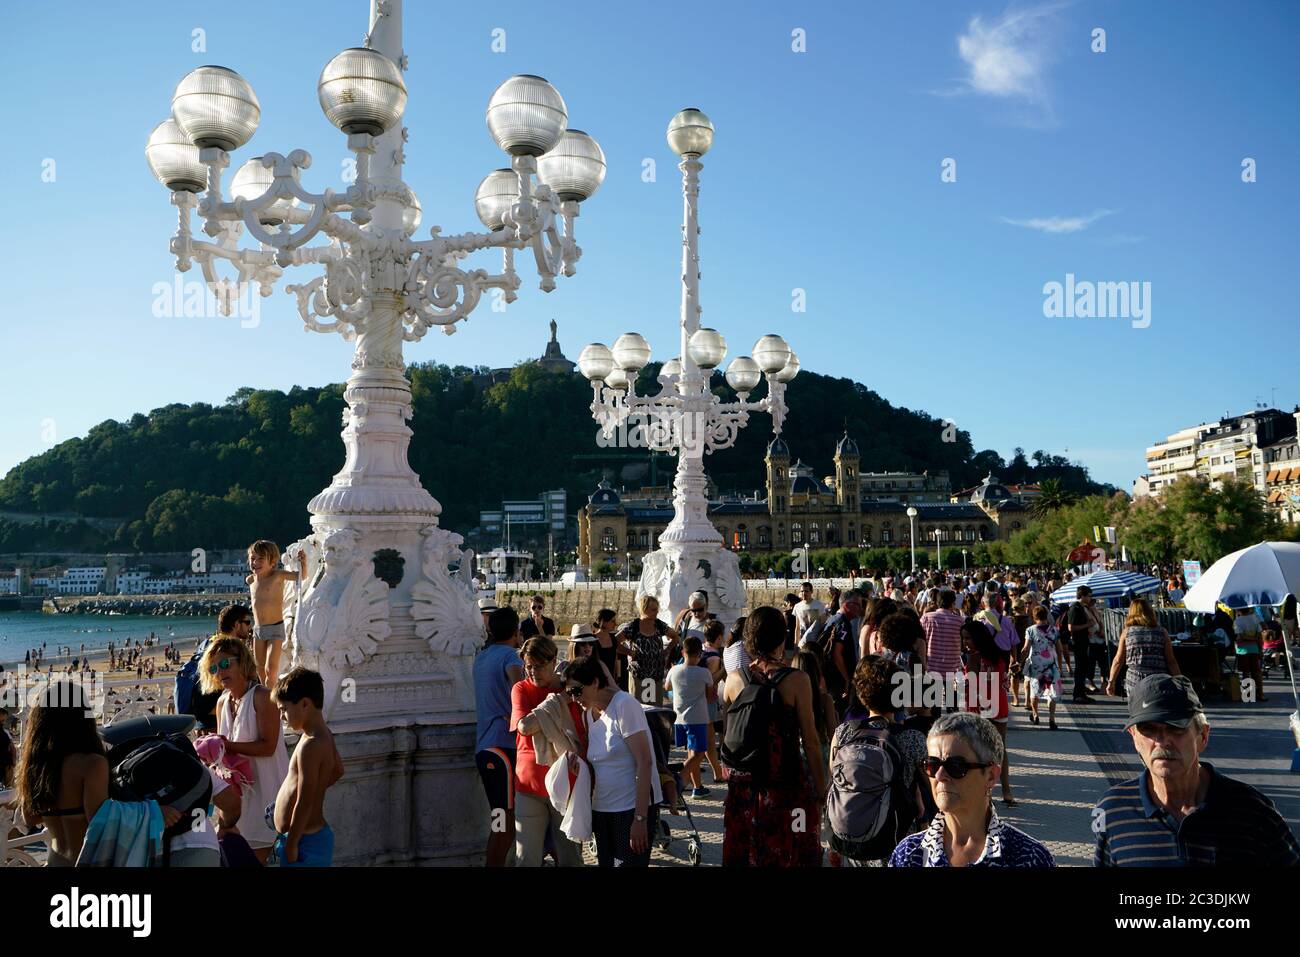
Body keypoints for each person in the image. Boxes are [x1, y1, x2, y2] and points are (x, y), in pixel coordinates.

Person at [1093, 674, 1300, 866]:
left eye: (1176, 727)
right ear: (1134, 738)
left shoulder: (1253, 811)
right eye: (1148, 729)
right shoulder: (1112, 811)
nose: (1162, 741)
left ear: (1202, 736)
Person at [720, 606, 826, 867]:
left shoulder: (734, 680)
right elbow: (810, 741)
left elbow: (726, 730)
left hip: (742, 790)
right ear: (782, 639)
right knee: (793, 845)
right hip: (784, 787)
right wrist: (822, 789)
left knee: (743, 853)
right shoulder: (796, 680)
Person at [889, 712, 1054, 867]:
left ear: (991, 776)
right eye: (932, 765)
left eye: (955, 766)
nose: (939, 776)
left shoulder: (1029, 857)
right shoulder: (907, 854)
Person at [829, 655, 928, 866]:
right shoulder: (913, 739)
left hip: (854, 832)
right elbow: (931, 787)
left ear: (862, 695)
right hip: (897, 836)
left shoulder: (843, 733)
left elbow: (835, 777)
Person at [564, 654, 662, 867]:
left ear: (595, 683)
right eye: (569, 692)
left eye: (577, 690)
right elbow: (600, 763)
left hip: (630, 811)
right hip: (602, 810)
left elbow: (645, 763)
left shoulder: (624, 705)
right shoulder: (588, 714)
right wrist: (578, 765)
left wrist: (640, 819)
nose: (574, 698)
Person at [202, 635, 290, 862]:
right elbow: (224, 753)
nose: (220, 672)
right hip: (238, 797)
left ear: (242, 662)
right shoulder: (222, 702)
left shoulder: (262, 697)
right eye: (214, 668)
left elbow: (268, 746)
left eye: (225, 664)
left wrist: (224, 744)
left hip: (266, 793)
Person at [14, 681, 108, 866]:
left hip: (54, 861)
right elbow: (101, 825)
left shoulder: (38, 766)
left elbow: (30, 818)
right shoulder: (92, 764)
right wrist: (152, 812)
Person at [512, 635, 585, 867]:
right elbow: (524, 727)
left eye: (539, 666)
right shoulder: (521, 689)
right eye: (529, 666)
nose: (533, 672)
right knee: (526, 858)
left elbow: (582, 735)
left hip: (566, 784)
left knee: (570, 857)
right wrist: (559, 700)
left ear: (554, 661)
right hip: (529, 785)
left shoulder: (573, 688)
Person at [271, 667, 344, 866]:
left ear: (304, 704)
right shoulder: (324, 734)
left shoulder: (310, 745)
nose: (281, 717)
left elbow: (304, 801)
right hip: (309, 837)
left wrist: (292, 844)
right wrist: (316, 787)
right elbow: (338, 770)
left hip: (303, 841)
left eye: (283, 709)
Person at [474, 606, 525, 867]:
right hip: (503, 749)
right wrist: (520, 713)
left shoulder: (481, 657)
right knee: (504, 823)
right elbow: (519, 688)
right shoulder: (511, 657)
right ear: (516, 631)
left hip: (485, 746)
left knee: (500, 820)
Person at [960, 617, 1016, 806]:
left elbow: (973, 684)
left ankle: (986, 793)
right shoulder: (997, 655)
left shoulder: (974, 657)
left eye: (967, 638)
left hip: (980, 706)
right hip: (997, 703)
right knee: (1000, 749)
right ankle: (1007, 791)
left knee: (980, 751)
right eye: (963, 638)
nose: (964, 642)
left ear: (977, 638)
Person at [666, 636, 714, 796]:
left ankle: (697, 787)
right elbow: (710, 695)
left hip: (679, 718)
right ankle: (677, 779)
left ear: (682, 652)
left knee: (691, 753)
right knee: (699, 754)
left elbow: (667, 686)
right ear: (699, 654)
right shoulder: (704, 673)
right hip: (698, 718)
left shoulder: (674, 670)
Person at [1106, 597, 1180, 700]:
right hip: (1158, 679)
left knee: (1137, 711)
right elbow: (1171, 660)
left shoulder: (1127, 632)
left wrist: (1111, 682)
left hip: (1135, 679)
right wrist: (1180, 681)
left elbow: (1118, 660)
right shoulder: (1162, 632)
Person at [620, 594, 678, 707]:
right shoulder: (633, 626)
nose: (657, 612)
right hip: (638, 675)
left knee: (656, 709)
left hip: (656, 675)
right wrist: (630, 652)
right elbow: (615, 642)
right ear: (644, 609)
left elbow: (675, 637)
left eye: (657, 609)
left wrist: (667, 650)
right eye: (653, 610)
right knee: (638, 708)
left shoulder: (659, 624)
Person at [1020, 606, 1064, 729]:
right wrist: (1059, 666)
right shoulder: (1054, 630)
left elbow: (1026, 648)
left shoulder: (1030, 630)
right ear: (1046, 616)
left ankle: (1035, 715)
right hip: (1051, 666)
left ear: (1034, 617)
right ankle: (1052, 719)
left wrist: (1020, 662)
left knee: (1034, 693)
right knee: (1052, 694)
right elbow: (1059, 650)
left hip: (1036, 667)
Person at [820, 590, 863, 717]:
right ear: (847, 605)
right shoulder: (842, 623)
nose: (860, 608)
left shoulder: (832, 619)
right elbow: (837, 654)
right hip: (838, 680)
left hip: (830, 677)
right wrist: (847, 679)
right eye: (858, 604)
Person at [922, 589, 964, 710]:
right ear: (953, 603)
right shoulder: (959, 621)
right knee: (952, 705)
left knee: (933, 705)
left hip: (932, 666)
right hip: (952, 667)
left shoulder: (927, 618)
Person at [700, 620, 728, 783]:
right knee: (710, 739)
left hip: (697, 698)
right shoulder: (714, 656)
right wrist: (724, 670)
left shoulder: (702, 649)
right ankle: (717, 772)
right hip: (708, 699)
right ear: (718, 638)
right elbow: (710, 680)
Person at [1068, 585, 1101, 702]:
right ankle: (1078, 694)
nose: (1090, 598)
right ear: (1082, 596)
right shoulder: (1075, 608)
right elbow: (1070, 627)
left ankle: (1081, 692)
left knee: (1083, 668)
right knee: (1080, 668)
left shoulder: (1082, 607)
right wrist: (1087, 625)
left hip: (1084, 641)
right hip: (1078, 643)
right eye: (1088, 596)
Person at [1232, 605, 1266, 702]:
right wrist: (1260, 649)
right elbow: (1259, 635)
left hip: (1242, 650)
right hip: (1254, 649)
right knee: (1256, 672)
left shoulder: (1237, 621)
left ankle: (1248, 695)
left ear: (1239, 609)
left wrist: (1248, 639)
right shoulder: (1255, 618)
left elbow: (1240, 637)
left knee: (1245, 672)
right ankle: (1261, 694)